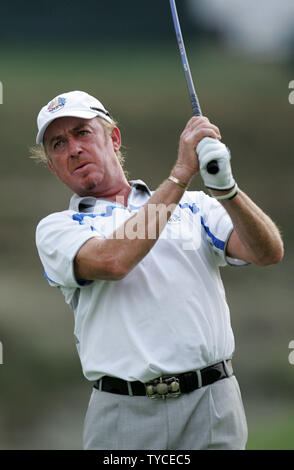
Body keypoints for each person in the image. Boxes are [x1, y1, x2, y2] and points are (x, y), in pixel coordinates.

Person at [34, 90, 283, 450]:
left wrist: (228, 190)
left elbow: (267, 251)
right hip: (123, 412)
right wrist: (182, 173)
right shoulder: (57, 228)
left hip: (213, 404)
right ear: (52, 166)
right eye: (58, 143)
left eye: (82, 132)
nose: (72, 148)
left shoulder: (194, 206)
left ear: (113, 138)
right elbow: (113, 261)